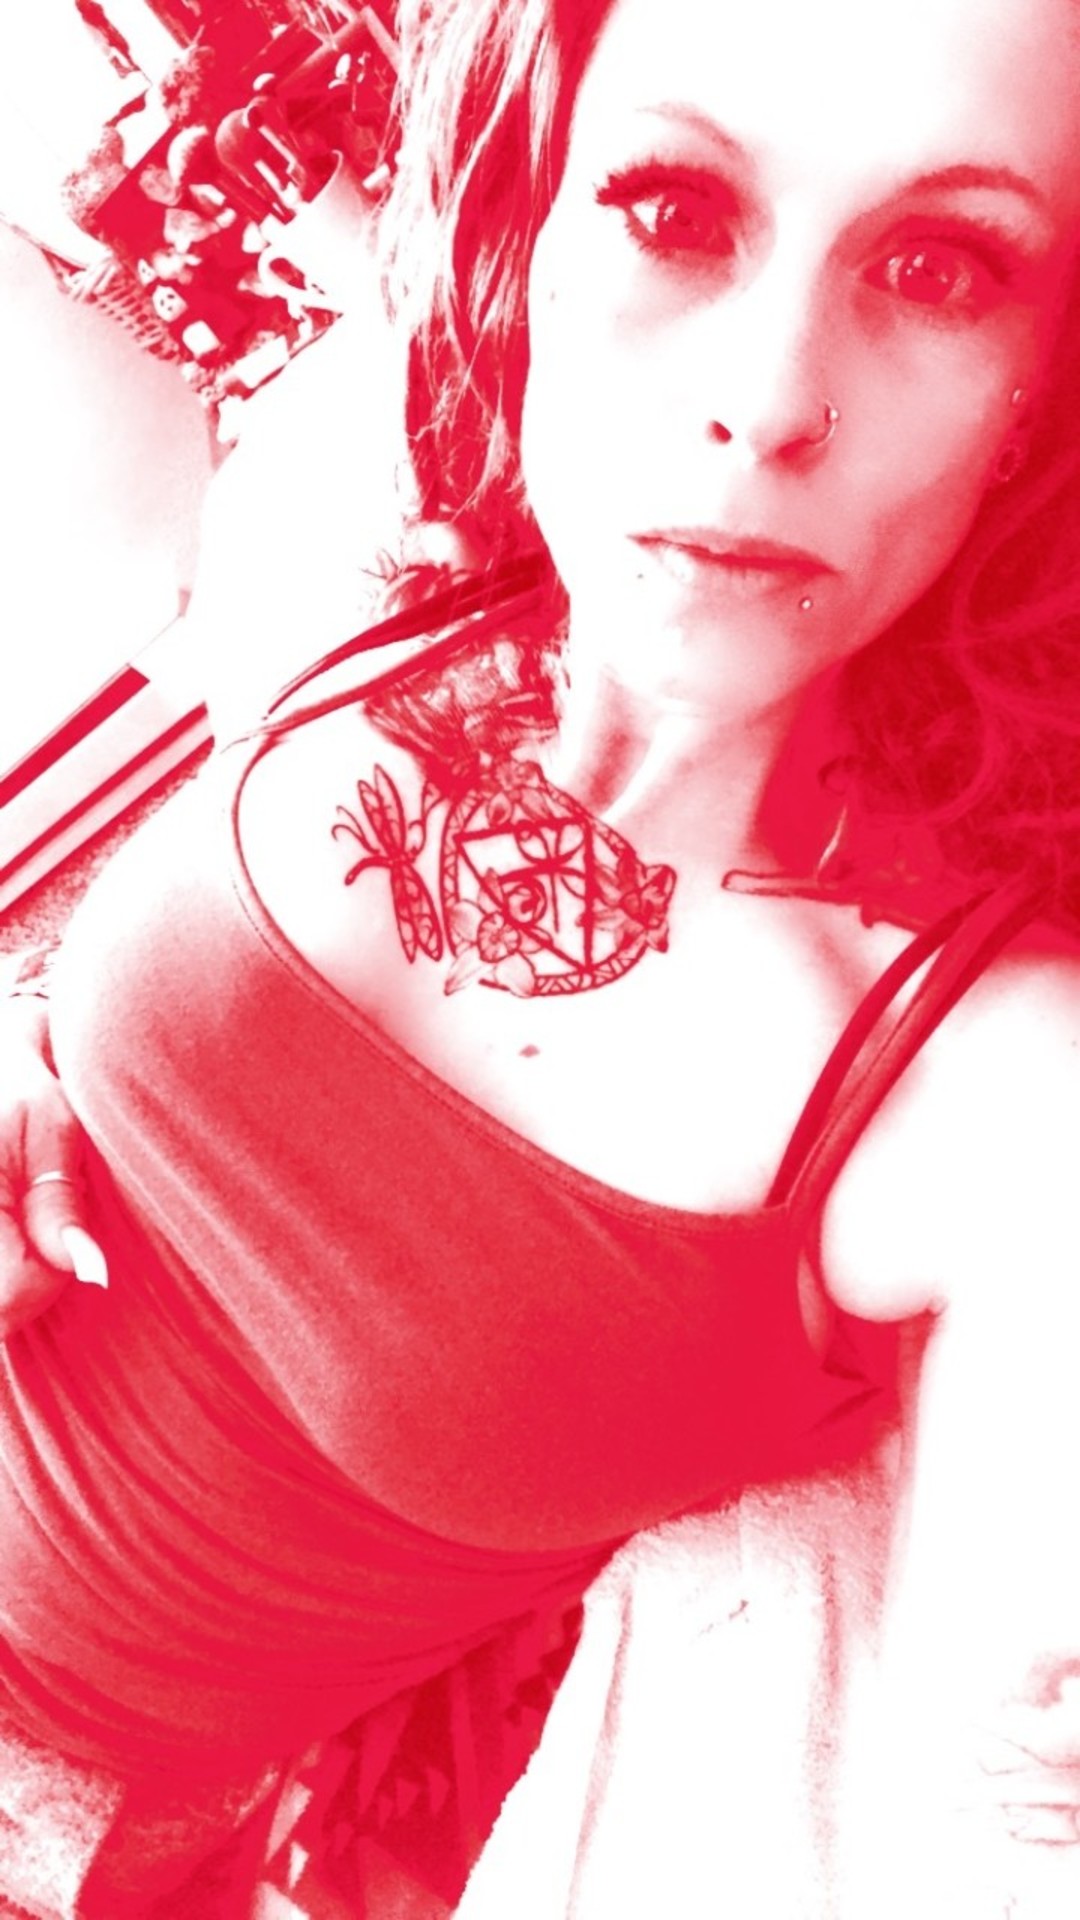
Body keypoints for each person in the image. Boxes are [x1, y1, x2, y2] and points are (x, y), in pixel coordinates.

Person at [2, 0, 1080, 1910]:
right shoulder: (366, 540)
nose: (768, 397)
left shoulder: (996, 1098)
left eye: (940, 267)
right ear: (537, 228)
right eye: (670, 208)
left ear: (1042, 392)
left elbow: (993, 1829)